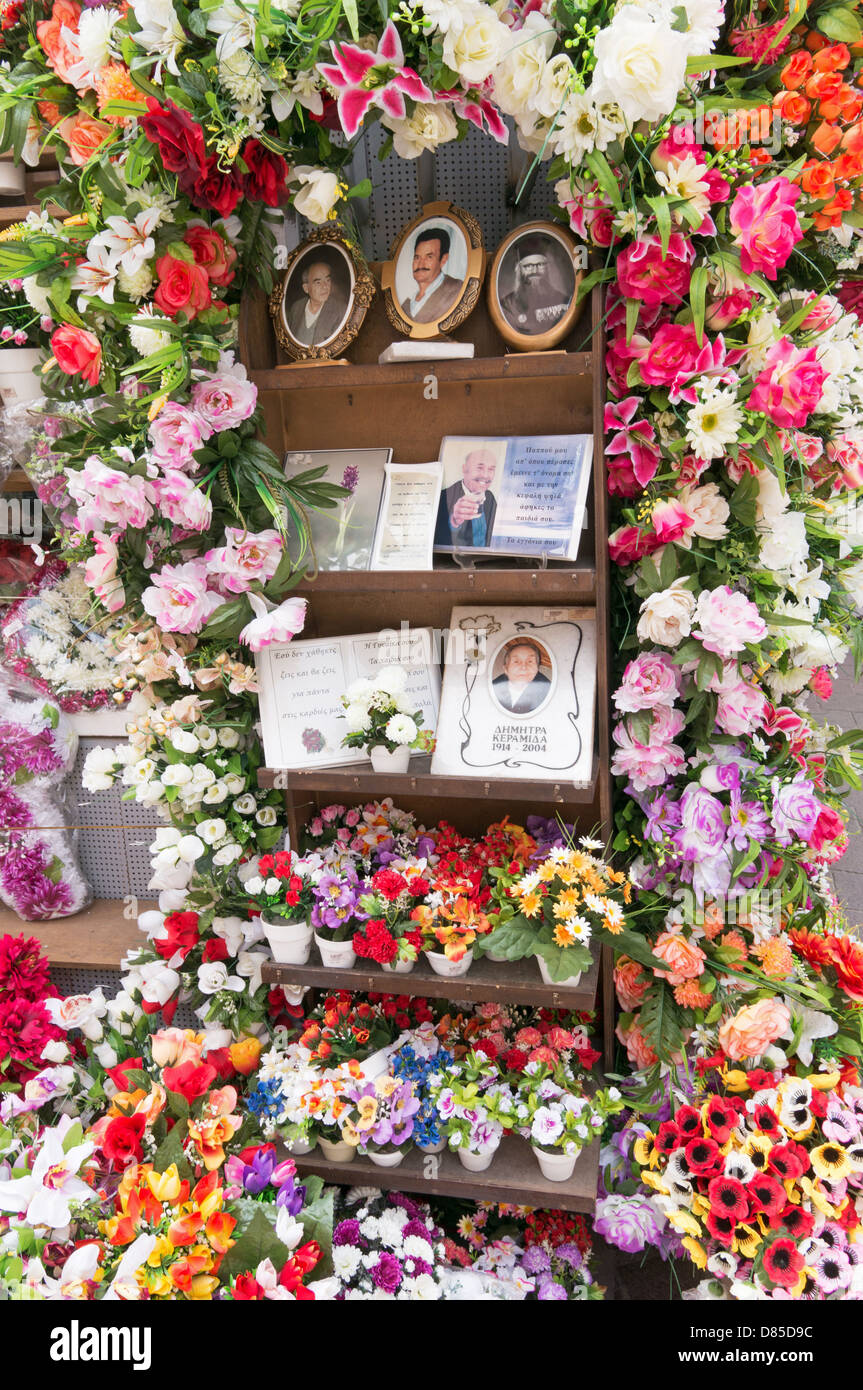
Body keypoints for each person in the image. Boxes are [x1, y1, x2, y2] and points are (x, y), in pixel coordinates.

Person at [499, 236, 571, 335]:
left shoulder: (564, 300)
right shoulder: (507, 305)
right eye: (528, 266)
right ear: (519, 269)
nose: (534, 271)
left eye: (540, 265)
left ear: (547, 267)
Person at [434, 446, 498, 549]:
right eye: (479, 467)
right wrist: (454, 521)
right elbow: (439, 540)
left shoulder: (490, 497)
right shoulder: (442, 498)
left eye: (491, 469)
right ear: (464, 469)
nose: (485, 475)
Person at [400, 226, 463, 324]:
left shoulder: (457, 290)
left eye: (429, 257)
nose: (420, 264)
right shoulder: (406, 305)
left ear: (443, 259)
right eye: (417, 257)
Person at [286, 258, 348, 346]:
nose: (325, 287)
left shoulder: (341, 310)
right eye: (318, 282)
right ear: (306, 288)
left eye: (328, 280)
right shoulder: (296, 307)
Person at [491, 639, 552, 714]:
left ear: (537, 667)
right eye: (516, 661)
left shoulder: (549, 693)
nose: (523, 667)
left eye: (530, 661)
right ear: (505, 668)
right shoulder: (491, 688)